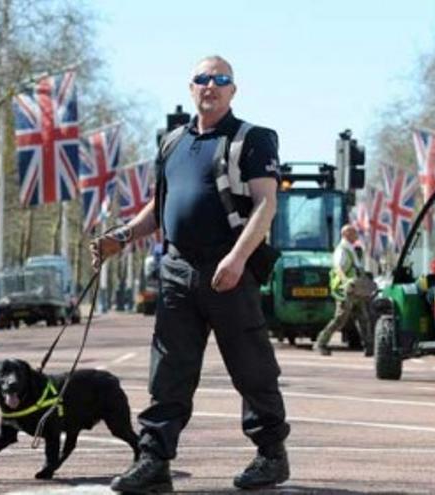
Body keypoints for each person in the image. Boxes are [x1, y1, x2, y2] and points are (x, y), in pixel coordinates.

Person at [91, 55, 290, 493]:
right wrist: (121, 237)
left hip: (228, 267)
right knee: (168, 372)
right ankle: (154, 460)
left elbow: (266, 204)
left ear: (233, 91)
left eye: (221, 80)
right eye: (202, 79)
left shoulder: (252, 139)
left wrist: (238, 259)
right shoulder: (173, 143)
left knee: (251, 367)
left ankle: (271, 455)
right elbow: (159, 210)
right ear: (191, 87)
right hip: (177, 269)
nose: (210, 86)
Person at [313, 224, 375, 356]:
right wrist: (346, 281)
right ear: (346, 234)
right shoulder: (342, 250)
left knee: (363, 317)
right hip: (346, 290)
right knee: (340, 319)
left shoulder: (350, 249)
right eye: (354, 233)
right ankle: (321, 343)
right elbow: (338, 268)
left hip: (355, 289)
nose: (357, 235)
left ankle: (369, 346)